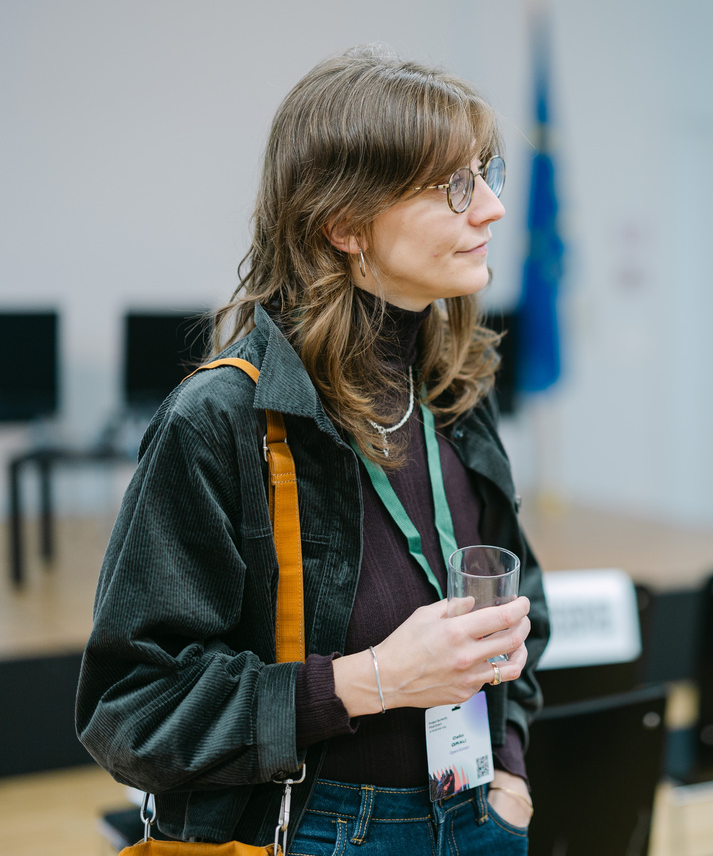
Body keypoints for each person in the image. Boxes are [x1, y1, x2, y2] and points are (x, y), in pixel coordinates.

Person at [77, 45, 549, 855]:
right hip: (315, 832)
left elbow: (518, 604)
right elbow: (132, 710)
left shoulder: (453, 390)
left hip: (475, 812)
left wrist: (507, 772)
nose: (492, 209)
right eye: (453, 186)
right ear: (344, 225)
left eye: (486, 174)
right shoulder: (219, 417)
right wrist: (374, 680)